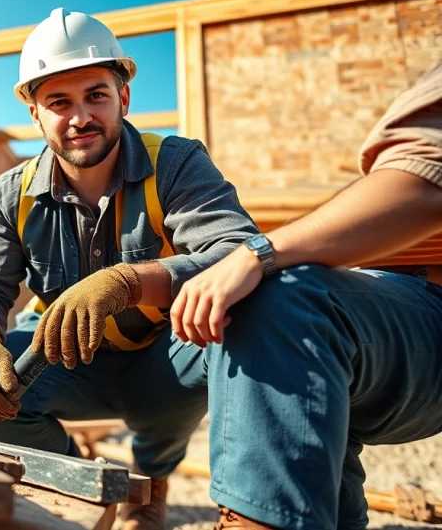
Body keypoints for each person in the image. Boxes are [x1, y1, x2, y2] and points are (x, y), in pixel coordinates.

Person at [0, 8, 259, 529]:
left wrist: (128, 282)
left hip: (163, 360)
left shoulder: (175, 163)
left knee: (246, 323)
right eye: (59, 103)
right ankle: (85, 481)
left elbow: (239, 250)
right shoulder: (12, 194)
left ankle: (153, 482)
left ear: (123, 99)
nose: (80, 117)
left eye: (96, 95)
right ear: (36, 116)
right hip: (65, 361)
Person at [169, 62, 442, 529]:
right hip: (389, 308)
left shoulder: (174, 161)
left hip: (426, 315)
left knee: (279, 304)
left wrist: (257, 254)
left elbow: (423, 186)